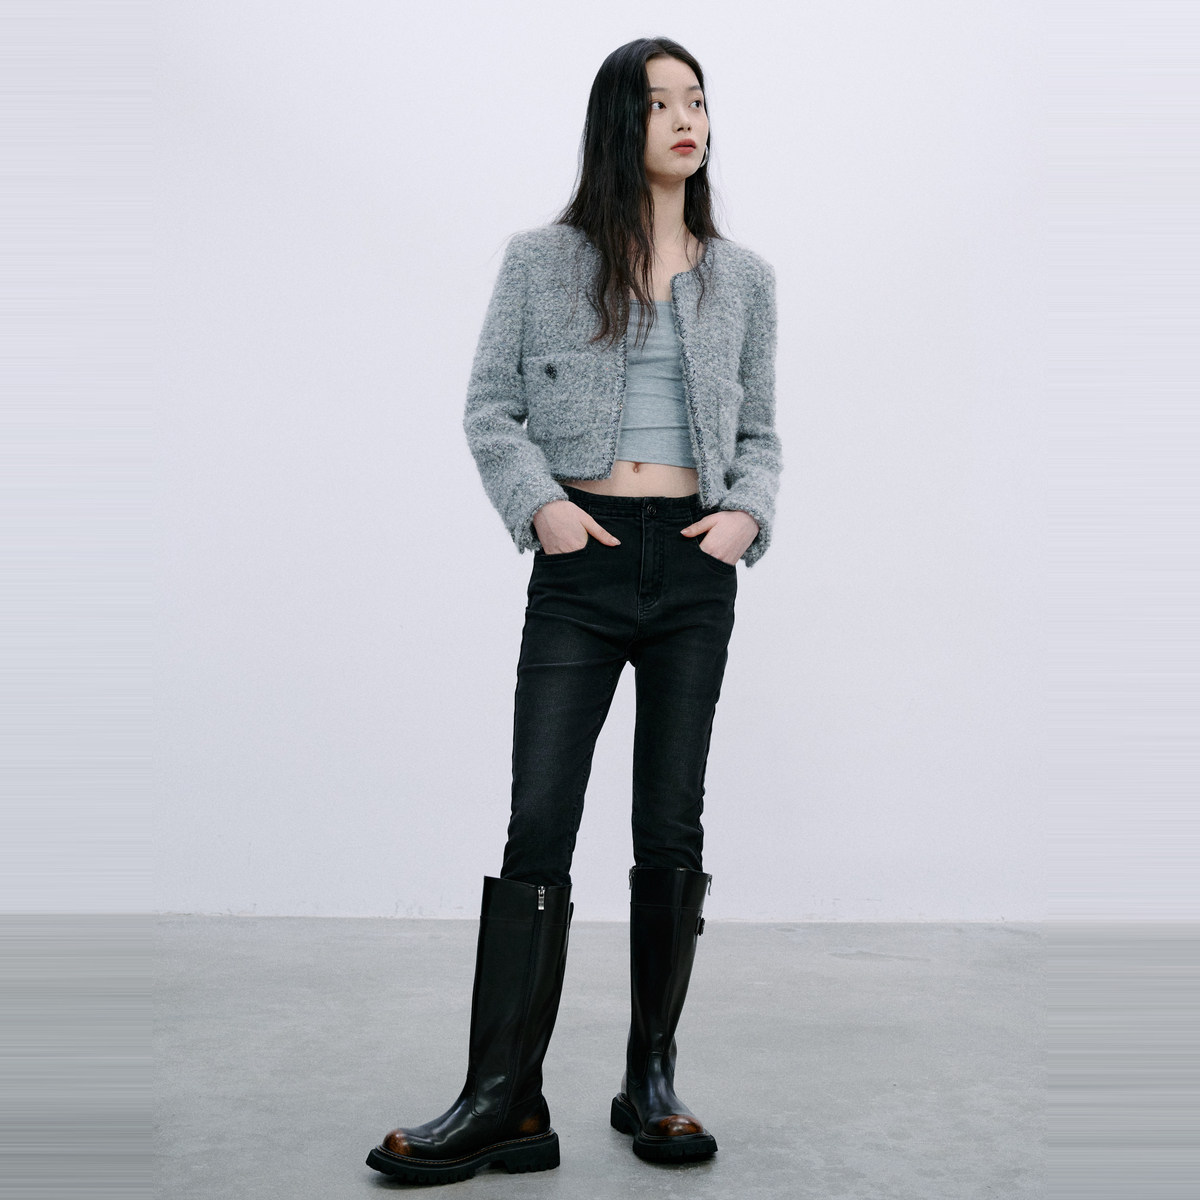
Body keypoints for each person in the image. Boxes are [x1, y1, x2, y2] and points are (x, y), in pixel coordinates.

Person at [366, 36, 782, 1185]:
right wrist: (541, 506)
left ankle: (651, 1079)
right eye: (660, 103)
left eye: (697, 99)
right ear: (618, 123)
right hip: (582, 564)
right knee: (539, 821)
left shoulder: (744, 278)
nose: (687, 119)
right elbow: (489, 408)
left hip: (693, 568)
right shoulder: (541, 261)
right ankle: (505, 1098)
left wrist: (745, 516)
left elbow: (761, 432)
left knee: (671, 826)